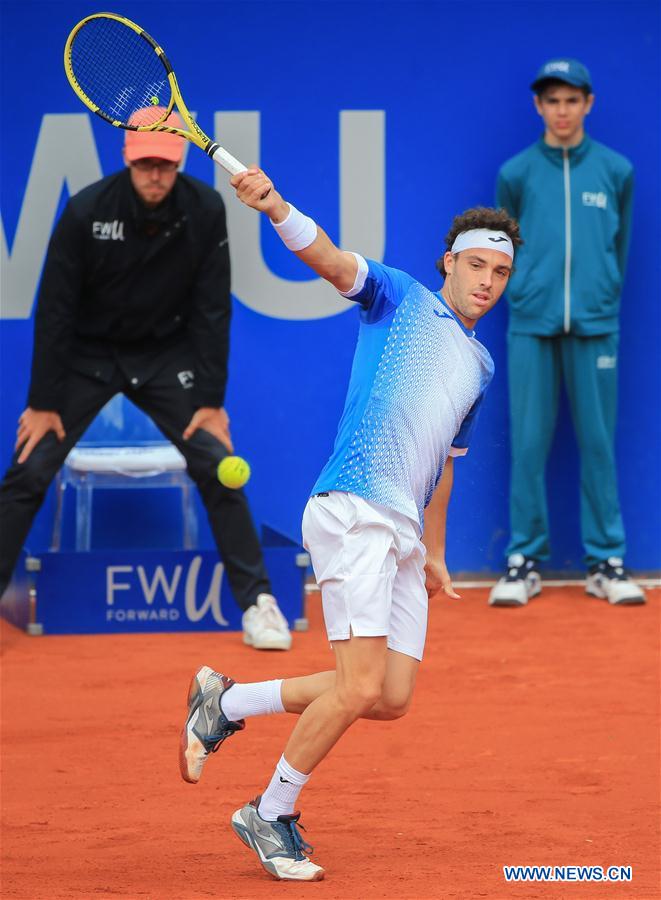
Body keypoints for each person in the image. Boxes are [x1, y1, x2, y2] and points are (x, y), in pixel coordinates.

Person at [178, 166, 521, 881]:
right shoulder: (399, 299)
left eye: (500, 271)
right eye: (476, 265)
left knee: (387, 696)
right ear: (449, 264)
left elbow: (444, 464)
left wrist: (434, 553)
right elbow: (329, 260)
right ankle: (268, 813)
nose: (487, 281)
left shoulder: (481, 364)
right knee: (358, 686)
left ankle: (228, 700)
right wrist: (275, 209)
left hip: (399, 533)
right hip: (353, 511)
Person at [0, 109, 292, 650]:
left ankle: (258, 604)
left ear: (179, 161)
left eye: (164, 164)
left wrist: (210, 400)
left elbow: (211, 311)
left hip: (165, 357)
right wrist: (43, 401)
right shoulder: (86, 210)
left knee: (215, 462)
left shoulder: (204, 210)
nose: (155, 175)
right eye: (144, 165)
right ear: (127, 158)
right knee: (30, 468)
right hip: (88, 356)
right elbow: (56, 310)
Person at [489, 58, 645, 608]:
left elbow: (617, 250)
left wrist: (599, 298)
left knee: (598, 444)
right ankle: (523, 558)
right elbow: (501, 249)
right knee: (528, 445)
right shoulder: (515, 172)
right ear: (538, 106)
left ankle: (607, 561)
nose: (561, 110)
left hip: (596, 327)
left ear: (588, 104)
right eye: (552, 100)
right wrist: (529, 294)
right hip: (531, 326)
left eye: (571, 100)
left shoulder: (616, 170)